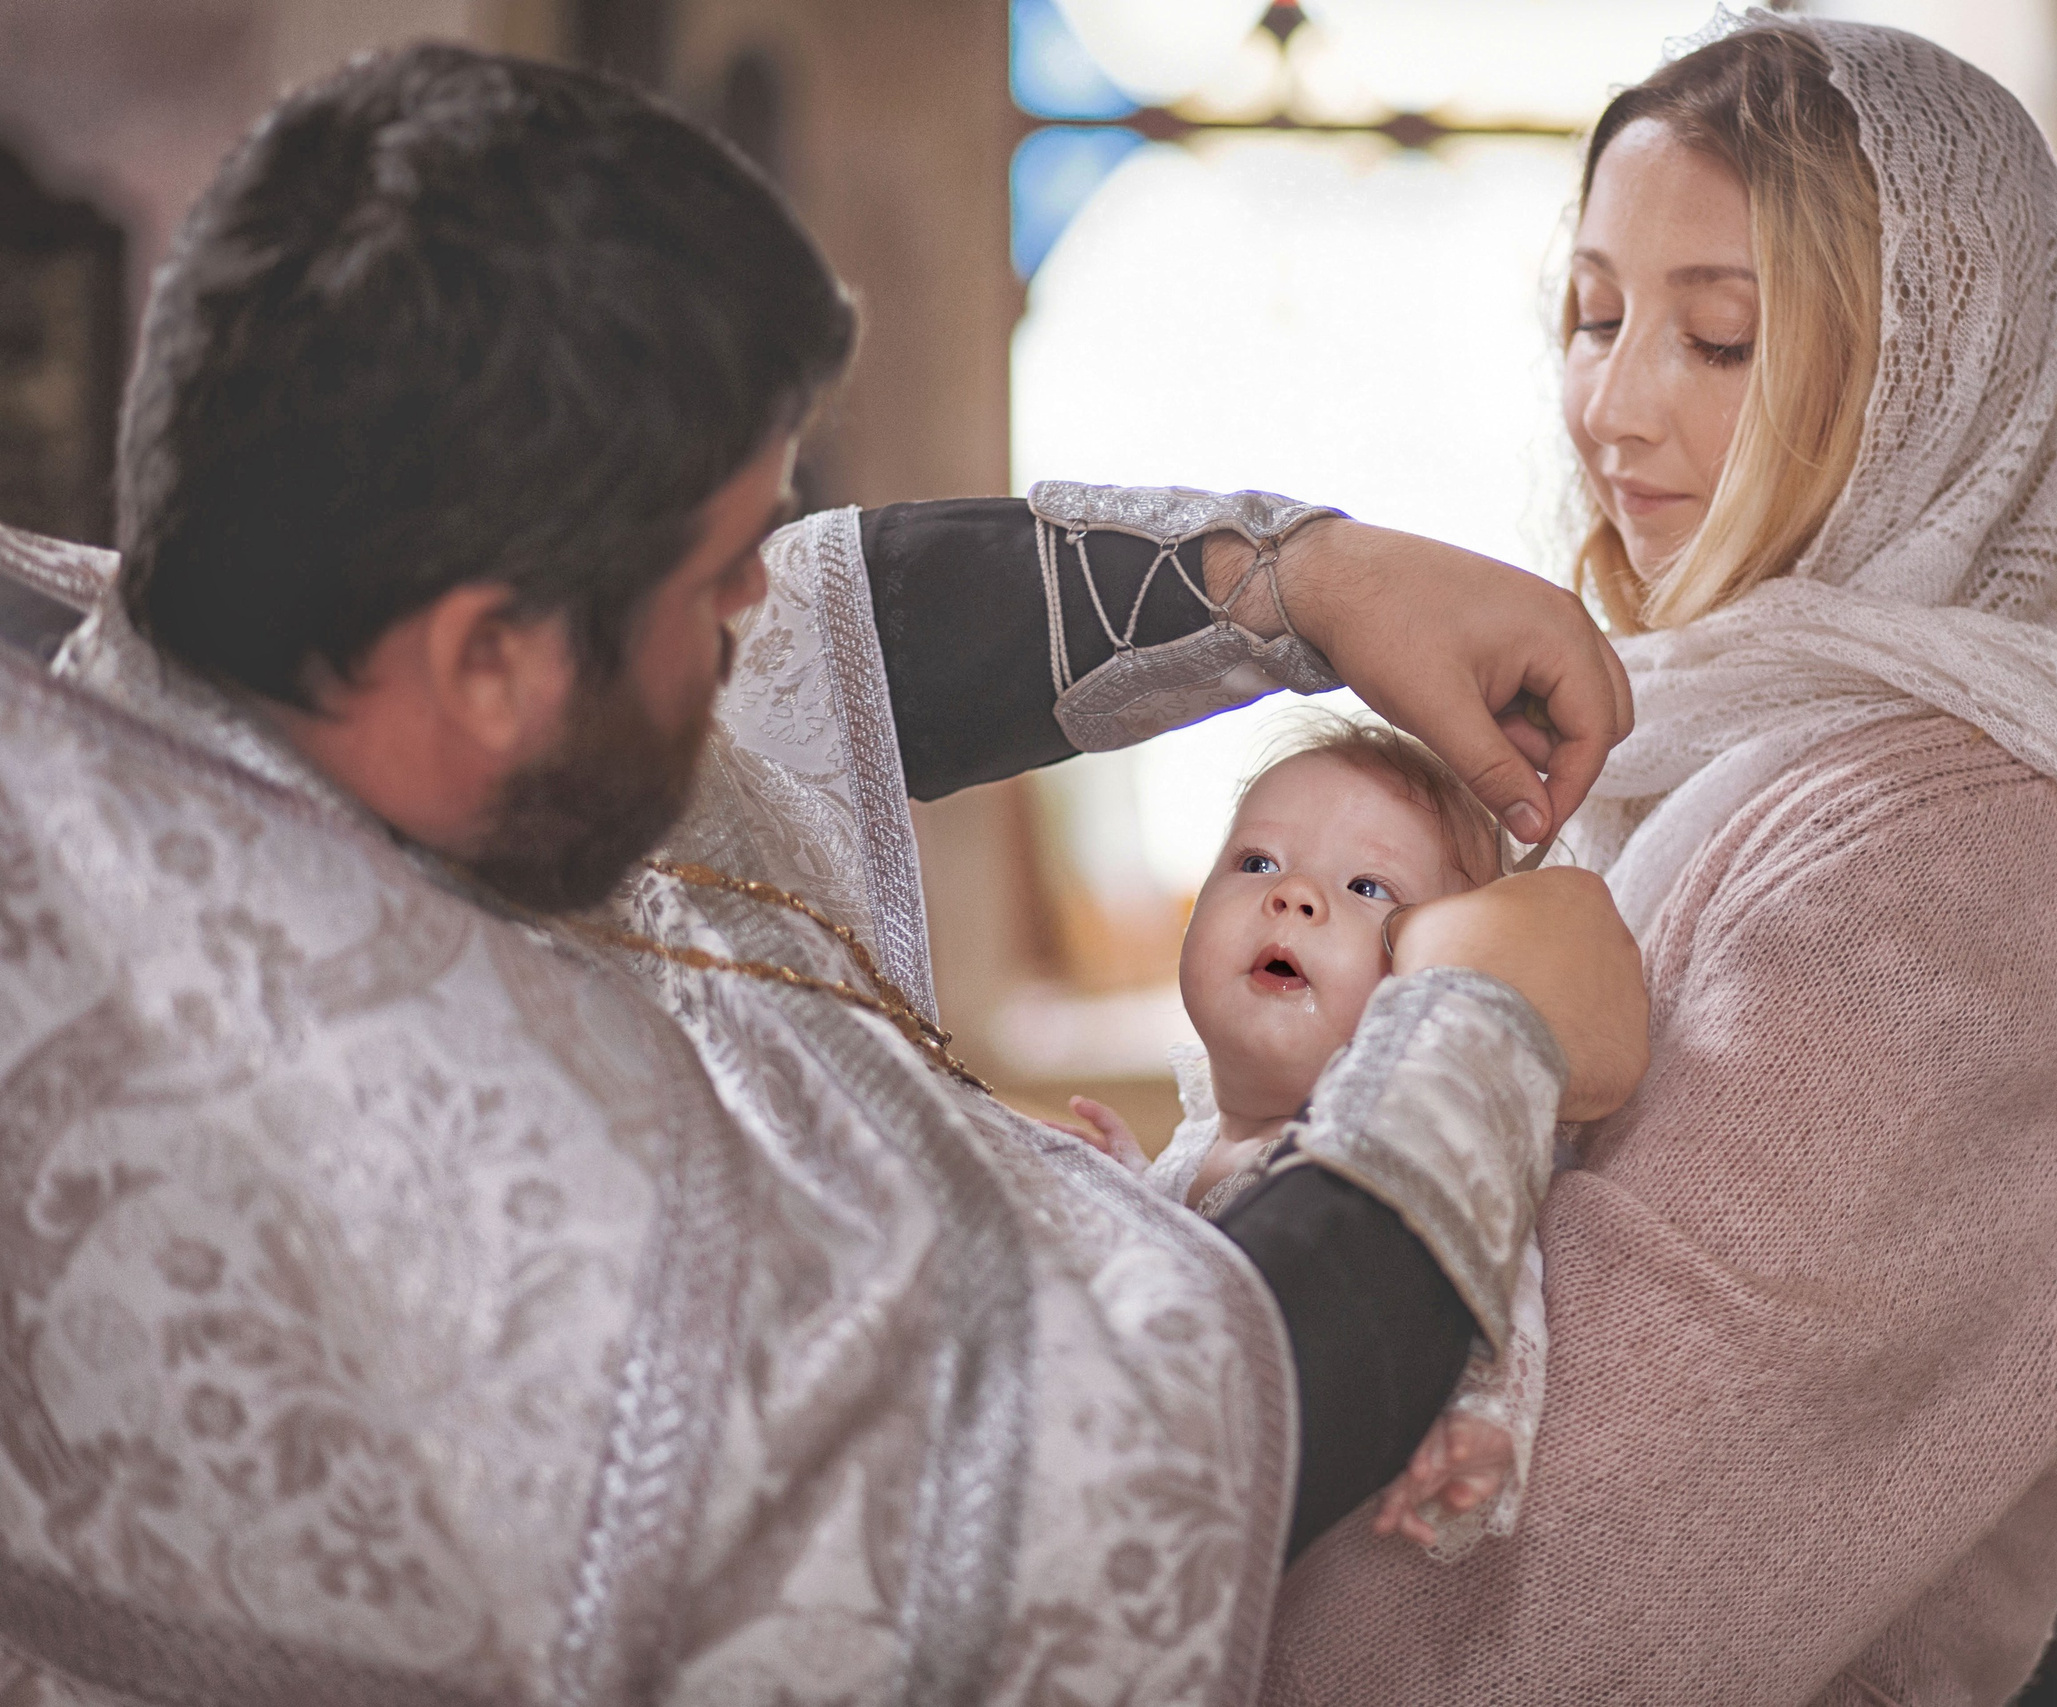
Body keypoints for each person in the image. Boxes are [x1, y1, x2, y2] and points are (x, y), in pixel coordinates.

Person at [0, 45, 1648, 1707]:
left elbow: (824, 641)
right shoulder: (390, 1208)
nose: (753, 617)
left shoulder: (258, 646)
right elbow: (1076, 1505)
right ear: (491, 661)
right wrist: (1480, 1021)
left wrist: (1295, 582)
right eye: (715, 579)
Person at [1261, 17, 2057, 1706]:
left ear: (1924, 382)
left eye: (1720, 336)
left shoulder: (1956, 862)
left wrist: (1123, 1577)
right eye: (1594, 314)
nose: (1611, 399)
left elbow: (1571, 1567)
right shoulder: (1667, 742)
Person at [1064, 717, 1556, 1559]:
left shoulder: (1379, 1164)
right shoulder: (1197, 1136)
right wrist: (1127, 1185)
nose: (1293, 896)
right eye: (1257, 863)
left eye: (1368, 886)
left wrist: (1483, 1422)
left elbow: (1490, 1270)